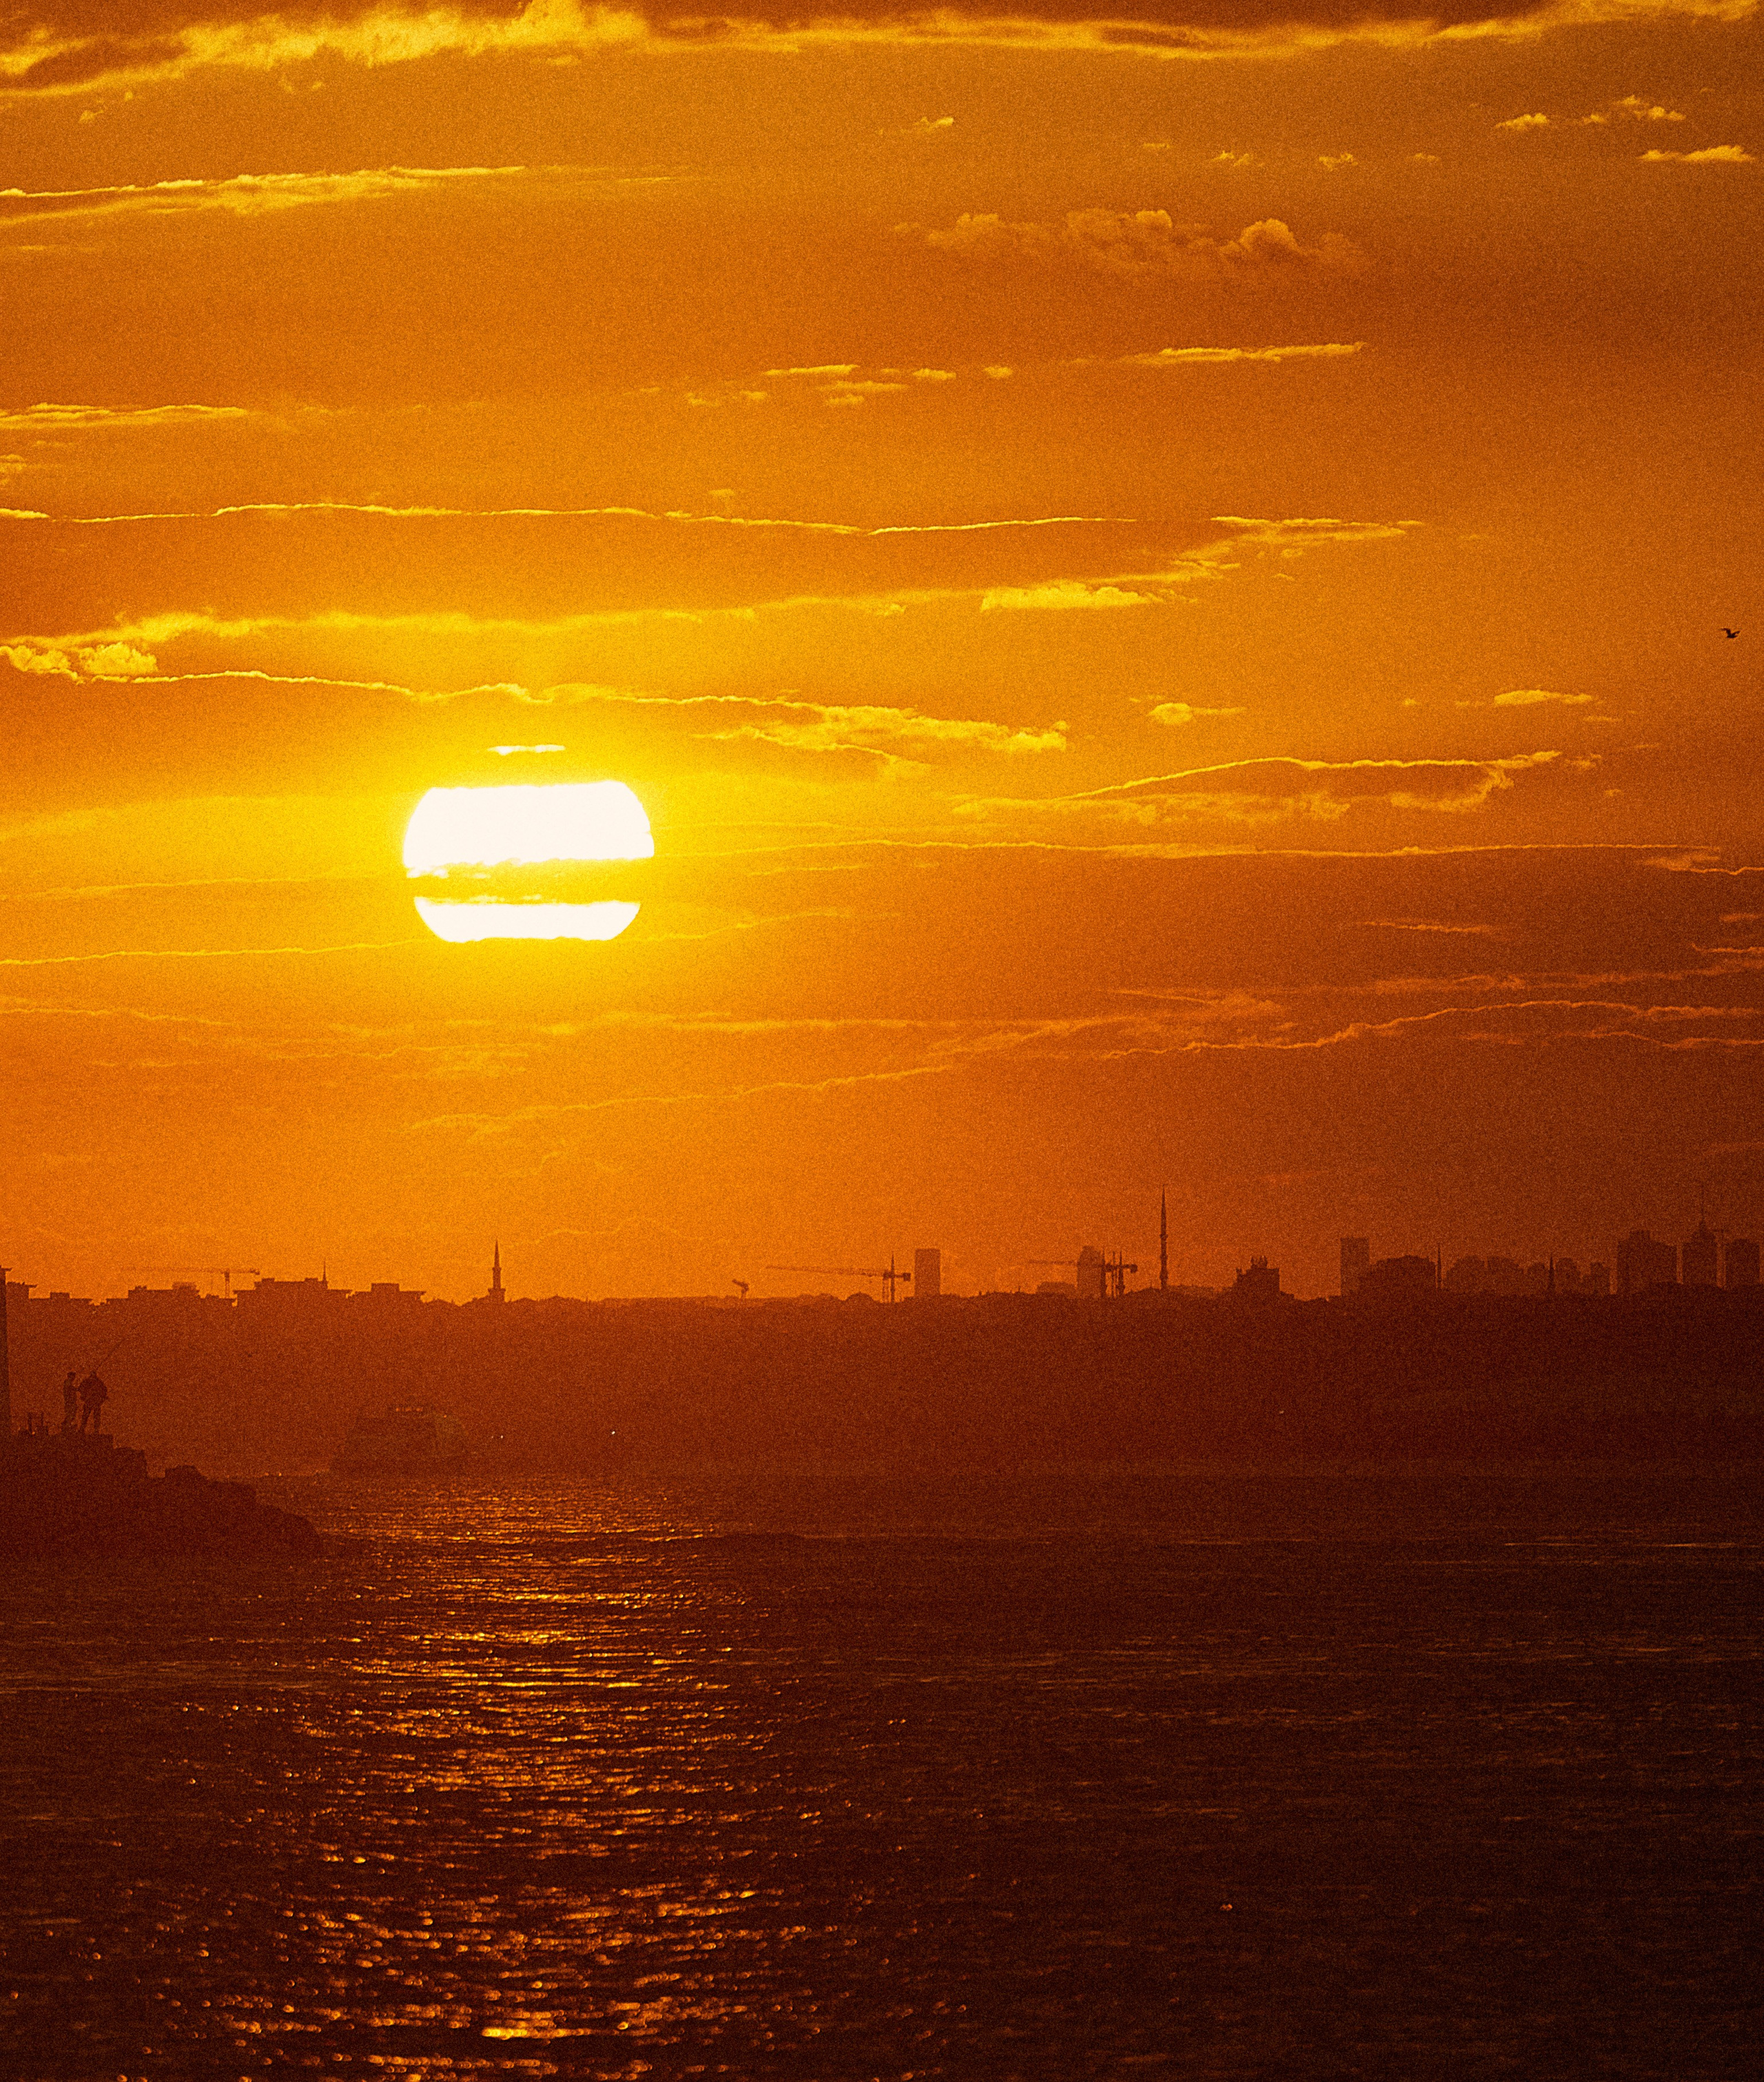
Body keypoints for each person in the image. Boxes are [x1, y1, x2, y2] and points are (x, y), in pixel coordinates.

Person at [77, 1370, 108, 1436]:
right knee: (91, 1416)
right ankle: (92, 1430)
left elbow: (80, 1388)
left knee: (88, 1416)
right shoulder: (98, 1382)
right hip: (93, 1402)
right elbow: (104, 1391)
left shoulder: (89, 1382)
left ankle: (85, 1429)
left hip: (92, 1402)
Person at [61, 1369, 79, 1433]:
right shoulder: (67, 1382)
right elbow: (69, 1390)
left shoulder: (68, 1383)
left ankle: (67, 1425)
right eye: (73, 1376)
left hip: (71, 1402)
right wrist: (76, 1389)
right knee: (70, 1414)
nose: (74, 1378)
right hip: (70, 1402)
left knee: (72, 1414)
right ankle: (67, 1426)